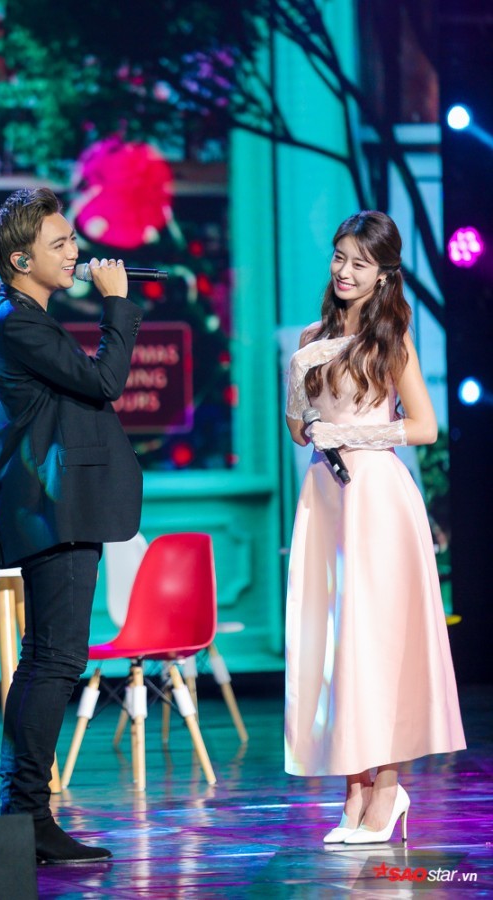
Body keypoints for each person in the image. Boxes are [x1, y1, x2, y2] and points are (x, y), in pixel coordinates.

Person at [284, 210, 465, 844]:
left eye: (360, 263)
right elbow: (300, 429)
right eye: (340, 257)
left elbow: (424, 426)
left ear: (384, 274)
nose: (345, 271)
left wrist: (351, 433)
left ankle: (385, 790)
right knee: (338, 644)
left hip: (378, 498)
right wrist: (301, 396)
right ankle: (354, 792)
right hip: (325, 496)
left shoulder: (392, 339)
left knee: (376, 643)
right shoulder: (312, 336)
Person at [0, 187, 143, 863]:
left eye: (73, 239)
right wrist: (117, 305)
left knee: (47, 659)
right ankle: (27, 816)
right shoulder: (19, 324)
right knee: (54, 661)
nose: (76, 252)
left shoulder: (28, 319)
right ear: (22, 260)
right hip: (53, 508)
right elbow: (104, 382)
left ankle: (24, 815)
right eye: (60, 244)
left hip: (59, 506)